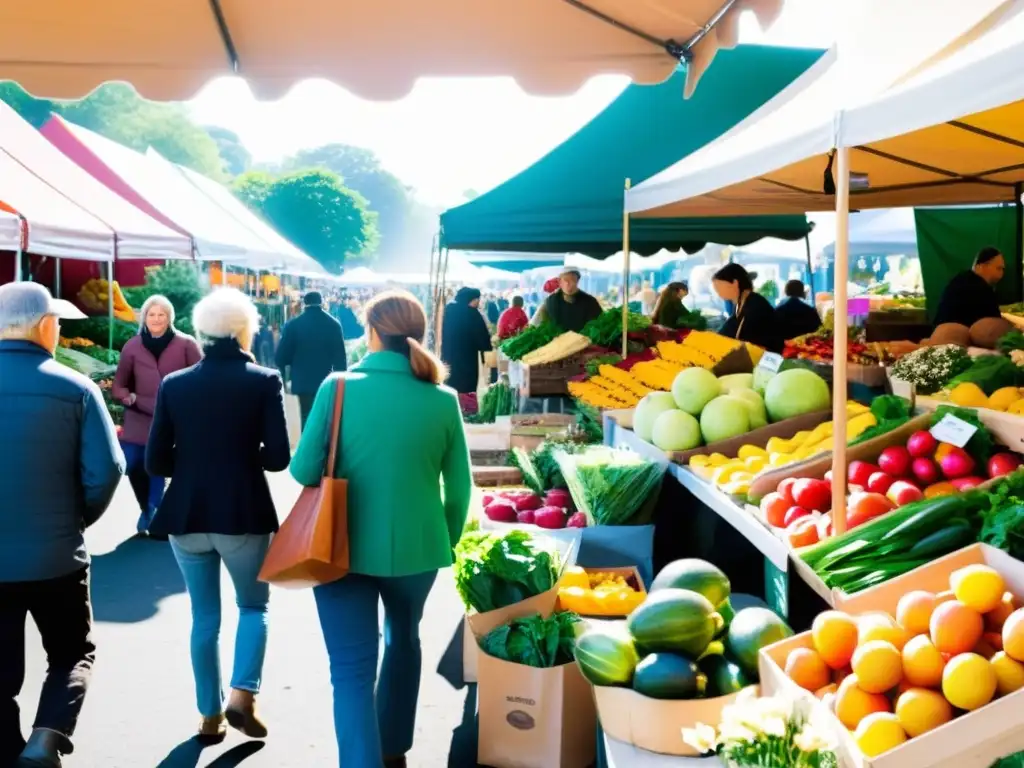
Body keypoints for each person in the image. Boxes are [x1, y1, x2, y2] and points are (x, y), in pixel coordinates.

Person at [290, 290, 470, 768]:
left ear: (371, 331)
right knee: (404, 639)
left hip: (339, 545)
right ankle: (394, 749)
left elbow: (304, 471)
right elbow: (460, 489)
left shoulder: (338, 387)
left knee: (350, 671)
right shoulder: (443, 399)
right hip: (418, 546)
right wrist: (443, 539)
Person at [146, 288, 291, 743]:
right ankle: (242, 694)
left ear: (202, 331)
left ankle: (208, 715)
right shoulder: (263, 380)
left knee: (203, 617)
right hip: (243, 510)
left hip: (185, 514)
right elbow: (278, 458)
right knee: (253, 606)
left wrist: (191, 465)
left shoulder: (175, 383)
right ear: (244, 329)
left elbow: (155, 462)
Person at [0, 282, 125, 768]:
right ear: (45, 326)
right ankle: (46, 738)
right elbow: (108, 472)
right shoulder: (76, 388)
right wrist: (75, 518)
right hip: (56, 556)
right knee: (72, 653)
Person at [112, 295, 202, 535]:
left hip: (173, 420)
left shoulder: (186, 344)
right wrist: (126, 397)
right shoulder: (132, 346)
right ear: (144, 317)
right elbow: (118, 385)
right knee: (133, 464)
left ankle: (154, 511)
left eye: (161, 314)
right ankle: (146, 508)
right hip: (138, 418)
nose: (156, 319)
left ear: (169, 317)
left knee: (158, 468)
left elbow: (202, 378)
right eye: (152, 314)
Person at [275, 291, 347, 429]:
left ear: (304, 304)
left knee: (306, 418)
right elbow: (340, 360)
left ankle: (308, 448)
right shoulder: (333, 324)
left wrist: (291, 367)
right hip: (327, 382)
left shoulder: (293, 325)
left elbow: (280, 358)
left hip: (302, 382)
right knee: (325, 421)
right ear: (322, 302)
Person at [712, 263, 784, 353]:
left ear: (735, 283)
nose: (718, 292)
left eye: (719, 287)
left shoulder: (755, 305)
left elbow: (748, 339)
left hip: (766, 357)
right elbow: (730, 327)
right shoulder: (741, 303)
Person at [932, 246, 1005, 328]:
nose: (1001, 274)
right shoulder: (981, 289)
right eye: (998, 268)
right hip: (956, 338)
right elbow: (994, 325)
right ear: (981, 266)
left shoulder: (960, 279)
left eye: (1002, 269)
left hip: (939, 334)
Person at [440, 287, 492, 394]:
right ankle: (466, 408)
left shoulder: (448, 310)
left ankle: (452, 404)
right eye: (476, 299)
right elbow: (482, 336)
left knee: (450, 380)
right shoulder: (473, 314)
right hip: (467, 357)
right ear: (469, 298)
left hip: (449, 353)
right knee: (466, 383)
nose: (478, 302)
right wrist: (486, 349)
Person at [532, 268, 603, 332]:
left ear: (577, 281)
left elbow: (597, 325)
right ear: (560, 281)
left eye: (572, 280)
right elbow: (542, 325)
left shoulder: (590, 302)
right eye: (566, 280)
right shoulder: (550, 301)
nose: (568, 284)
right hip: (557, 343)